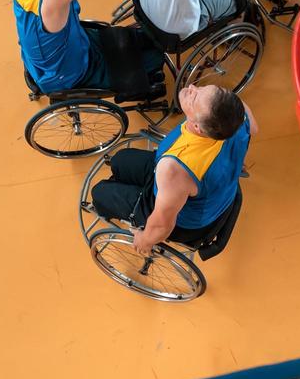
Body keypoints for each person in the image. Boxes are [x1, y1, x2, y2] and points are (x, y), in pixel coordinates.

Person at [91, 83, 257, 255]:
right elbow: (254, 129)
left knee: (100, 193)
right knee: (121, 160)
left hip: (186, 221)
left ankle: (108, 207)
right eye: (201, 89)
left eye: (194, 98)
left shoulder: (175, 168)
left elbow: (162, 225)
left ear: (198, 127)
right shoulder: (238, 114)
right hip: (212, 190)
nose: (192, 87)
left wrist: (145, 239)